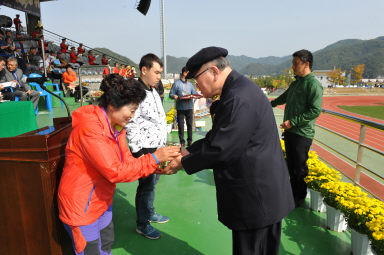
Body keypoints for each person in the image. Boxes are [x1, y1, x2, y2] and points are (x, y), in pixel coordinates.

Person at [164, 47, 294, 255]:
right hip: (259, 195)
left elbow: (221, 148)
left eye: (197, 80)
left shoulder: (238, 98)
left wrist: (182, 163)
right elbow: (219, 137)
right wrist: (188, 151)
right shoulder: (238, 90)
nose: (197, 86)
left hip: (256, 199)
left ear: (214, 71)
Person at [57, 75, 180, 255]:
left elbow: (127, 161)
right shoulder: (90, 130)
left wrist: (157, 166)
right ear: (113, 105)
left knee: (106, 244)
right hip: (82, 208)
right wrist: (153, 158)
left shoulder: (116, 127)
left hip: (102, 201)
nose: (132, 116)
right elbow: (115, 171)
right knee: (91, 251)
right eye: (131, 110)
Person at [271, 49, 323, 208]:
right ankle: (291, 195)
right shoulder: (296, 83)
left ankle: (298, 199)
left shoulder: (313, 85)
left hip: (301, 134)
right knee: (291, 165)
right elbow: (283, 98)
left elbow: (315, 111)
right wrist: (266, 105)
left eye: (295, 63)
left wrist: (292, 122)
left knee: (299, 168)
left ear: (306, 64)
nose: (293, 67)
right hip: (290, 132)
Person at [124, 53, 168, 240]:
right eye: (156, 72)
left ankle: (149, 212)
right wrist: (138, 152)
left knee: (152, 184)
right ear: (144, 70)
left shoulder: (152, 90)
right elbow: (130, 122)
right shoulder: (135, 91)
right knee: (146, 186)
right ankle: (143, 224)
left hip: (157, 146)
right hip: (145, 149)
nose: (159, 76)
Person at [169, 66, 197, 146]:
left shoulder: (190, 84)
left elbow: (194, 93)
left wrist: (195, 95)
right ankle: (182, 142)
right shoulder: (176, 84)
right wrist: (174, 96)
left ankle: (190, 141)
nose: (188, 74)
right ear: (184, 73)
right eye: (187, 73)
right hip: (180, 108)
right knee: (180, 126)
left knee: (190, 125)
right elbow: (171, 94)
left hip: (189, 107)